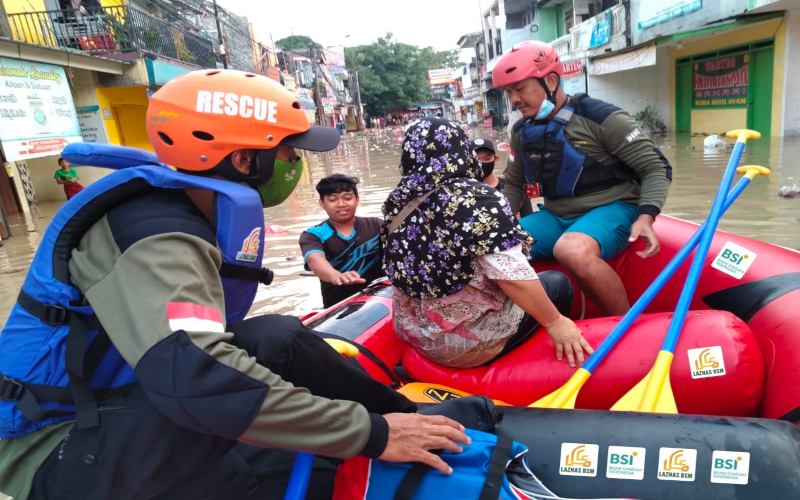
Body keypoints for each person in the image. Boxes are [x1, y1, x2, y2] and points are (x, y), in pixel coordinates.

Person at [0, 70, 469, 500]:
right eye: (289, 152)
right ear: (246, 159)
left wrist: (385, 421)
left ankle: (413, 418)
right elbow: (197, 379)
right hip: (54, 444)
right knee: (271, 464)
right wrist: (370, 434)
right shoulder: (153, 235)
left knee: (275, 337)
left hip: (123, 403)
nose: (296, 164)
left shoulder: (186, 208)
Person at [383, 118, 592, 370]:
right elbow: (512, 275)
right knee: (557, 284)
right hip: (462, 346)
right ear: (462, 151)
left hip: (415, 333)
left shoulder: (398, 201)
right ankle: (542, 361)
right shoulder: (478, 200)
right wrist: (555, 323)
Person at [493, 41, 673, 316]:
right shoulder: (520, 132)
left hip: (614, 207)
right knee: (492, 244)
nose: (514, 99)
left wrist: (646, 216)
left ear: (550, 80)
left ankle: (624, 326)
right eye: (508, 92)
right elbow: (515, 183)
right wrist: (496, 223)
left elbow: (656, 167)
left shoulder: (601, 118)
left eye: (520, 89)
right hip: (556, 216)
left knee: (571, 250)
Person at [300, 174, 383, 308]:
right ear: (322, 203)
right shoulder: (313, 235)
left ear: (357, 199)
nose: (341, 204)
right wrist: (335, 275)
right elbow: (314, 259)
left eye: (347, 198)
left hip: (380, 302)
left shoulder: (376, 225)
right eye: (333, 199)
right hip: (339, 309)